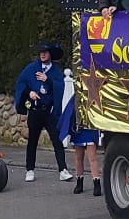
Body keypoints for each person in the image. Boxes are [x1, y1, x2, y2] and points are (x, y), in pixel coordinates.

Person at [12, 42, 68, 181]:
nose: (42, 54)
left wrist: (47, 80)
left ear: (51, 54)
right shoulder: (31, 68)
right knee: (32, 141)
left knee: (57, 140)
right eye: (40, 52)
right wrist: (29, 92)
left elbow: (60, 87)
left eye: (45, 52)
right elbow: (21, 83)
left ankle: (63, 170)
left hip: (49, 112)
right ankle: (30, 170)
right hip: (35, 110)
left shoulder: (55, 71)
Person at [57, 65, 101, 197]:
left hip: (90, 128)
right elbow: (69, 113)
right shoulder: (75, 98)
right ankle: (79, 182)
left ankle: (96, 183)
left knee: (92, 157)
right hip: (78, 130)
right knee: (78, 157)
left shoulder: (95, 95)